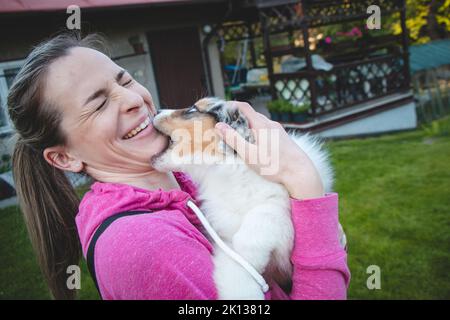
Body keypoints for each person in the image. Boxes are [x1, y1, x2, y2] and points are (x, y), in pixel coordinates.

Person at [8, 33, 350, 300]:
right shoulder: (145, 247)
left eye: (125, 81)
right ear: (65, 158)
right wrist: (305, 186)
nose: (133, 99)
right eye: (98, 105)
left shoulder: (185, 179)